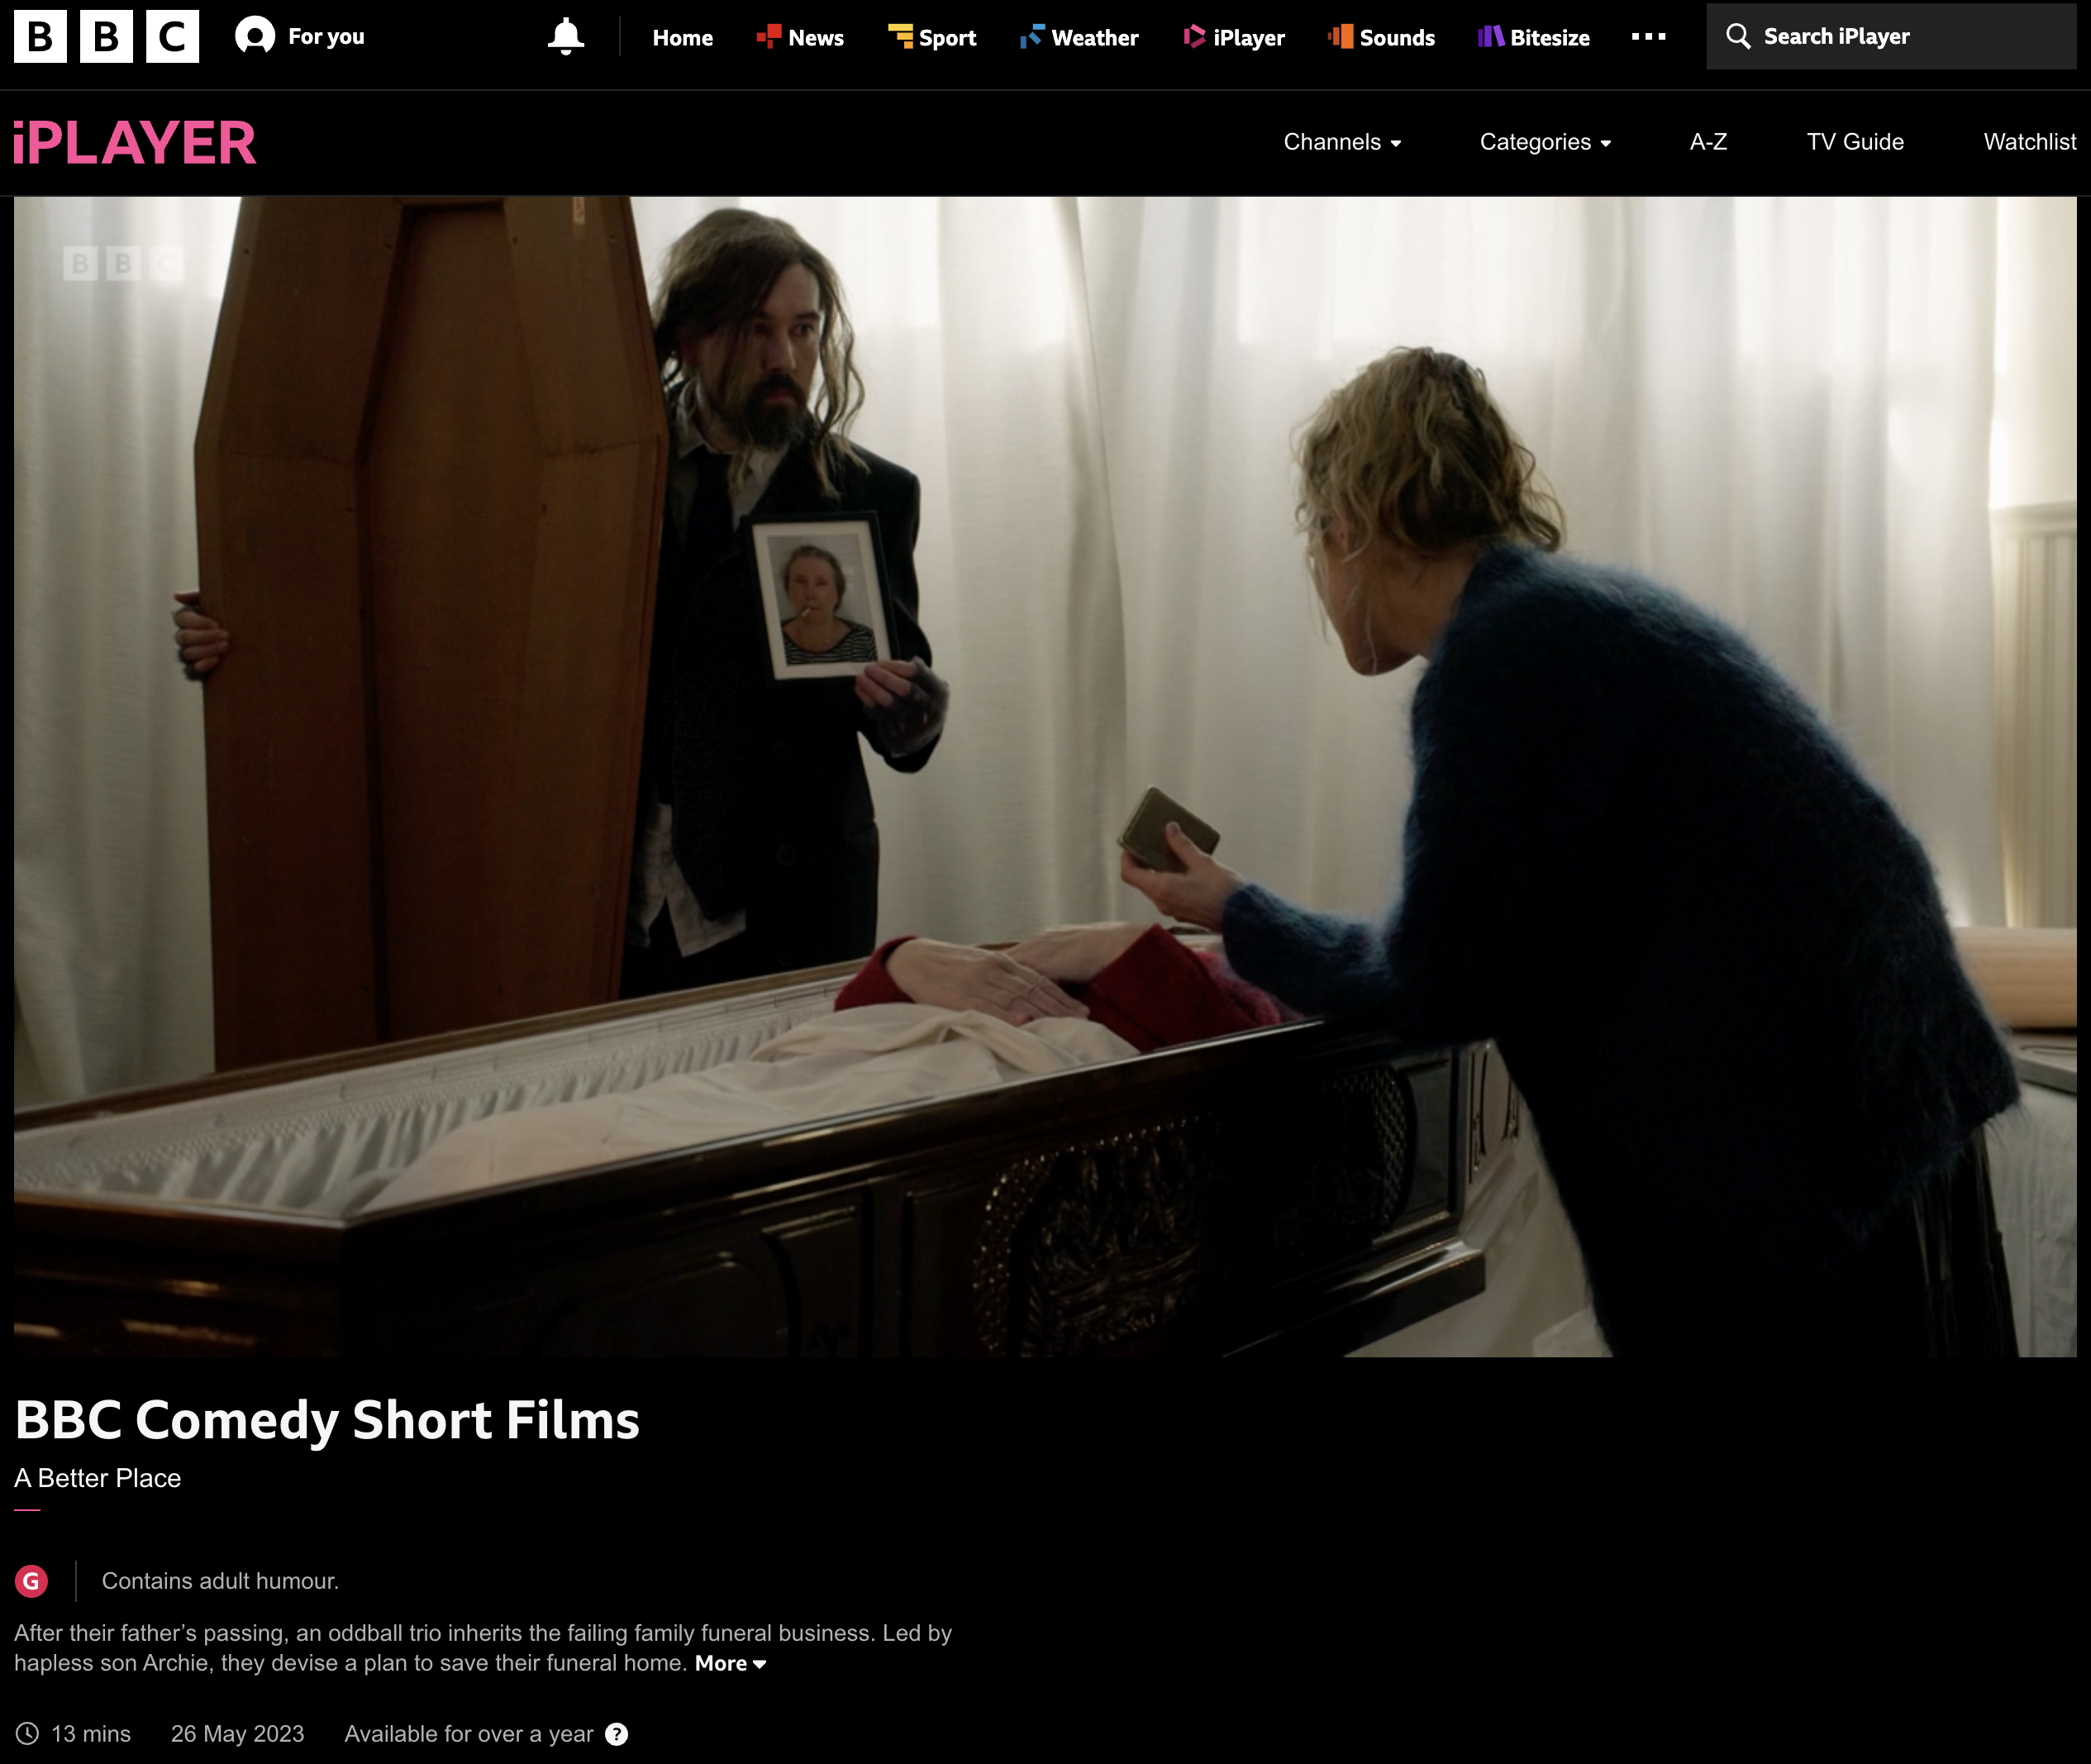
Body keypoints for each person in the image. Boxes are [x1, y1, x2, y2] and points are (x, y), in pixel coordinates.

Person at [1120, 345, 2020, 1357]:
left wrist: (1235, 910)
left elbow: (1438, 981)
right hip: (1884, 1101)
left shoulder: (1502, 659)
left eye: (1314, 541)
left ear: (1348, 528)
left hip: (1810, 1157)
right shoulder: (1573, 615)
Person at [176, 210, 950, 996]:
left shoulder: (874, 491)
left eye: (804, 329)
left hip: (790, 909)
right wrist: (259, 624)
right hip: (598, 898)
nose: (785, 358)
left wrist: (913, 712)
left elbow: (898, 718)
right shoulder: (586, 472)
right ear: (689, 337)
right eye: (758, 329)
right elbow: (439, 607)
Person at [779, 543, 878, 665]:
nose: (810, 594)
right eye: (800, 582)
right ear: (788, 591)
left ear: (837, 593)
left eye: (821, 583)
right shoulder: (771, 639)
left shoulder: (866, 641)